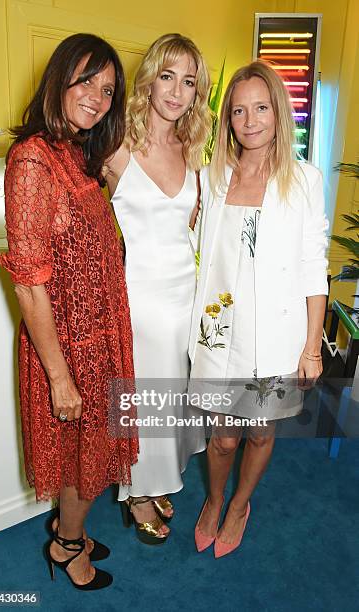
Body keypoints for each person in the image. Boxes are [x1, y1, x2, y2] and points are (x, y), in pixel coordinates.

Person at [0, 33, 138, 589]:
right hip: (68, 348)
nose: (97, 97)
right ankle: (66, 546)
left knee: (93, 454)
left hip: (99, 336)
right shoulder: (33, 160)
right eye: (87, 80)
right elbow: (30, 286)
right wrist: (59, 377)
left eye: (107, 89)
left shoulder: (78, 153)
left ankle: (67, 524)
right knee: (86, 458)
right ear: (59, 77)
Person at [189, 60, 328, 557]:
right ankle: (213, 498)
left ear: (278, 113)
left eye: (261, 108)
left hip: (275, 333)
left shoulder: (304, 179)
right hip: (220, 331)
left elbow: (315, 264)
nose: (250, 120)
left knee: (260, 431)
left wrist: (312, 347)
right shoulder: (213, 175)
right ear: (228, 118)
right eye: (239, 110)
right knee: (223, 438)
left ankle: (240, 504)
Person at [105, 33, 211, 543]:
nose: (176, 91)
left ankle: (158, 475)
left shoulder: (192, 149)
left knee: (174, 395)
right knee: (143, 398)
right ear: (149, 78)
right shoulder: (115, 144)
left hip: (184, 293)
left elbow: (191, 225)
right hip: (139, 296)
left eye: (188, 81)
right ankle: (138, 492)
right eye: (167, 76)